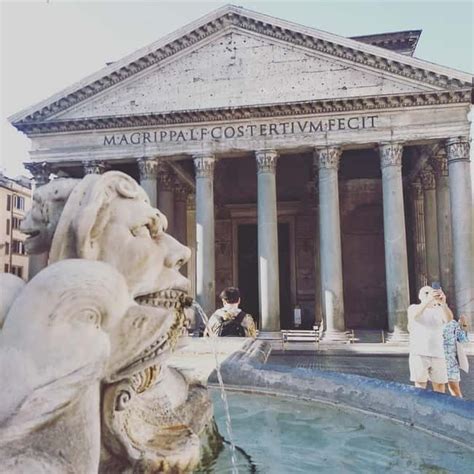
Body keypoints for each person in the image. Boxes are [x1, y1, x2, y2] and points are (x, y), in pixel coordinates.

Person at [407, 285, 453, 393]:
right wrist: (428, 300)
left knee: (440, 386)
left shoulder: (440, 309)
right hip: (419, 353)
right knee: (420, 385)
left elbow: (449, 319)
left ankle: (439, 404)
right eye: (426, 293)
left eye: (432, 292)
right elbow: (415, 316)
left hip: (438, 353)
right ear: (420, 296)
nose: (430, 294)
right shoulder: (413, 308)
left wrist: (443, 303)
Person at [443, 314, 470, 398]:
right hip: (435, 359)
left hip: (451, 362)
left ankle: (461, 406)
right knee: (438, 388)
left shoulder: (453, 323)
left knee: (455, 389)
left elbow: (464, 340)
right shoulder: (430, 321)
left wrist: (464, 324)